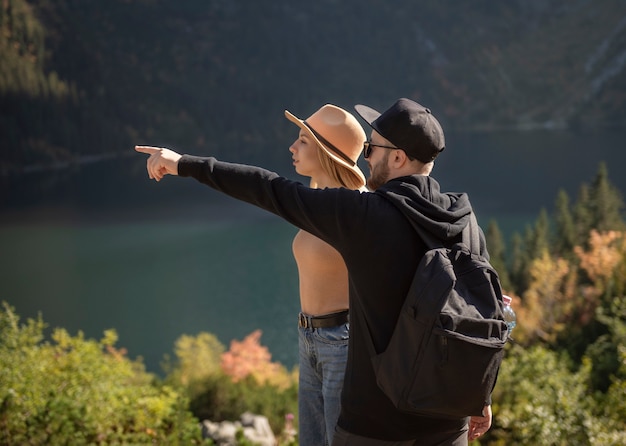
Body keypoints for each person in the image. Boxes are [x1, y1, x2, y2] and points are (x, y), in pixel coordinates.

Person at [135, 97, 493, 445]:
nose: (366, 157)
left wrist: (183, 163)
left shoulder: (364, 215)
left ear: (398, 158)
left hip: (377, 423)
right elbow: (483, 309)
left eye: (372, 149)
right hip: (446, 417)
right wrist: (480, 394)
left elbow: (267, 189)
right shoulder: (463, 220)